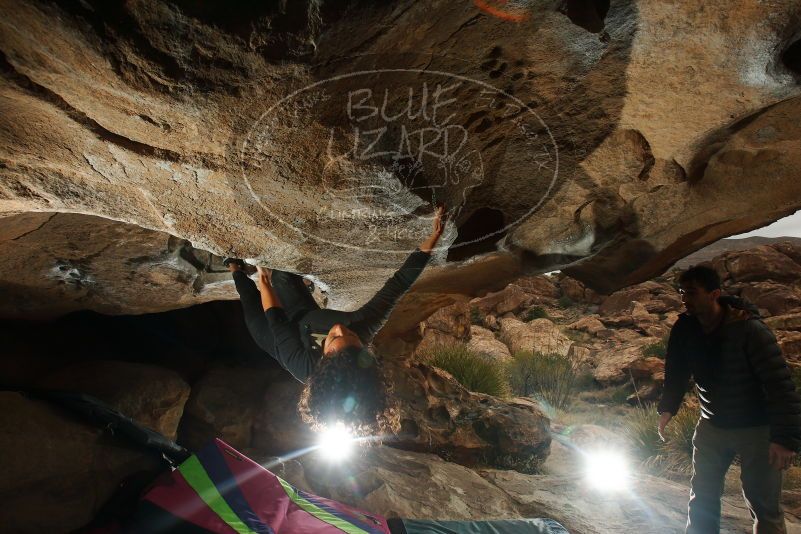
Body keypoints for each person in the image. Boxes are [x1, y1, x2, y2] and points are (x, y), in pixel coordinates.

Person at [225, 206, 445, 433]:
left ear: (325, 358)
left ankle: (234, 268)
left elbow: (275, 318)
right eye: (350, 335)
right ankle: (297, 283)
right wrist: (432, 240)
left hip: (276, 334)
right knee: (282, 275)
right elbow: (398, 285)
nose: (340, 328)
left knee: (252, 307)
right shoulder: (365, 325)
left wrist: (262, 279)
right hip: (305, 314)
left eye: (334, 339)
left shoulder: (302, 365)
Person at [657, 264, 801, 534]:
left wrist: (784, 439)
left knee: (763, 505)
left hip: (757, 429)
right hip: (712, 424)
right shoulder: (685, 327)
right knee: (702, 498)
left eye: (691, 292)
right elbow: (676, 371)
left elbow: (779, 384)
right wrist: (667, 408)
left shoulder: (749, 330)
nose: (685, 299)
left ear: (714, 294)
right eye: (681, 292)